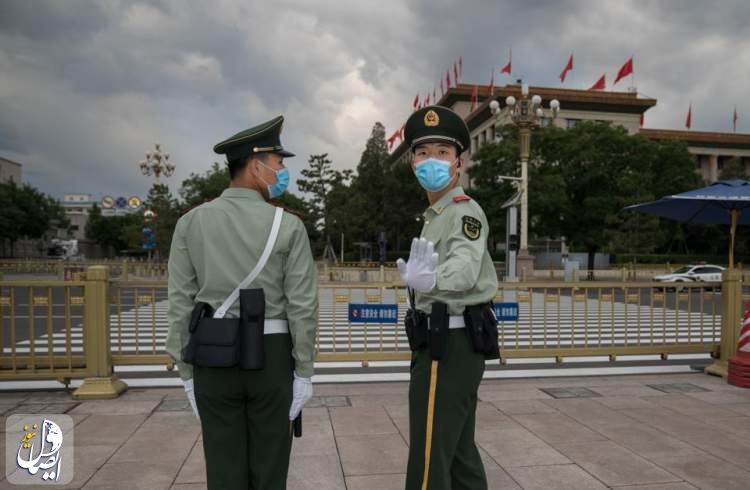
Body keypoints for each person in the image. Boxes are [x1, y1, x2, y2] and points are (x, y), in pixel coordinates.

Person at [165, 115, 318, 489]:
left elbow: (180, 303)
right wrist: (304, 371)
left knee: (222, 464)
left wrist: (186, 374)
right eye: (279, 163)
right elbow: (302, 306)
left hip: (211, 357)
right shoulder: (289, 225)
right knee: (269, 463)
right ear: (255, 166)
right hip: (271, 356)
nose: (282, 171)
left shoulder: (191, 223)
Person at [398, 105, 499, 490]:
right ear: (412, 161)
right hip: (445, 340)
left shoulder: (463, 211)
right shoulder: (436, 214)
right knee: (456, 451)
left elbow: (465, 270)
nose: (432, 161)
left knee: (429, 455)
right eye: (423, 153)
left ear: (459, 162)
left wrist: (430, 280)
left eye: (443, 152)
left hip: (450, 344)